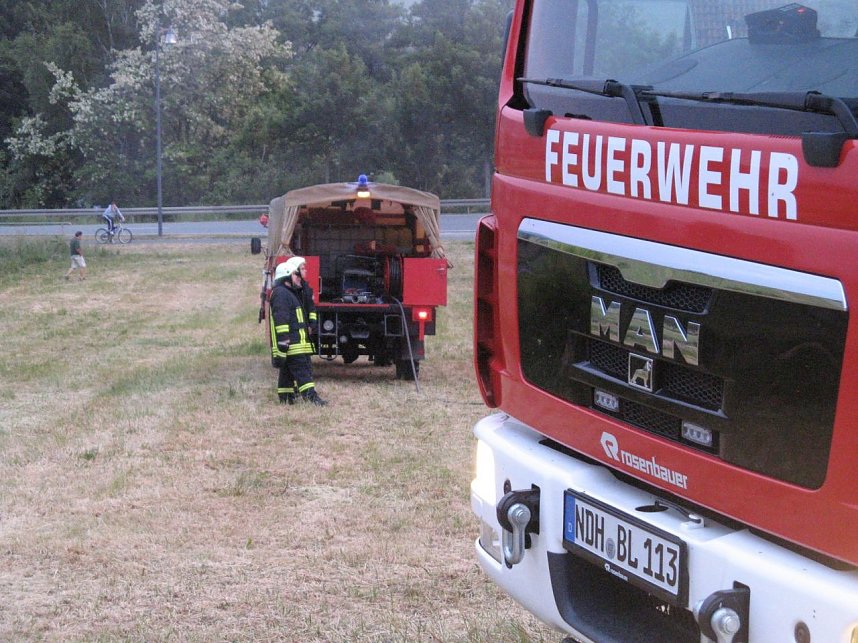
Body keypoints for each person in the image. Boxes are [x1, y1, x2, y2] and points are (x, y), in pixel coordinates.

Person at [269, 256, 327, 406]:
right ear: (287, 276)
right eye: (296, 274)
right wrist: (284, 342)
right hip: (293, 344)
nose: (299, 277)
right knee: (303, 371)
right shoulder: (282, 294)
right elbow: (281, 320)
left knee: (287, 371)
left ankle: (286, 397)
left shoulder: (289, 293)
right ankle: (312, 398)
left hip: (296, 343)